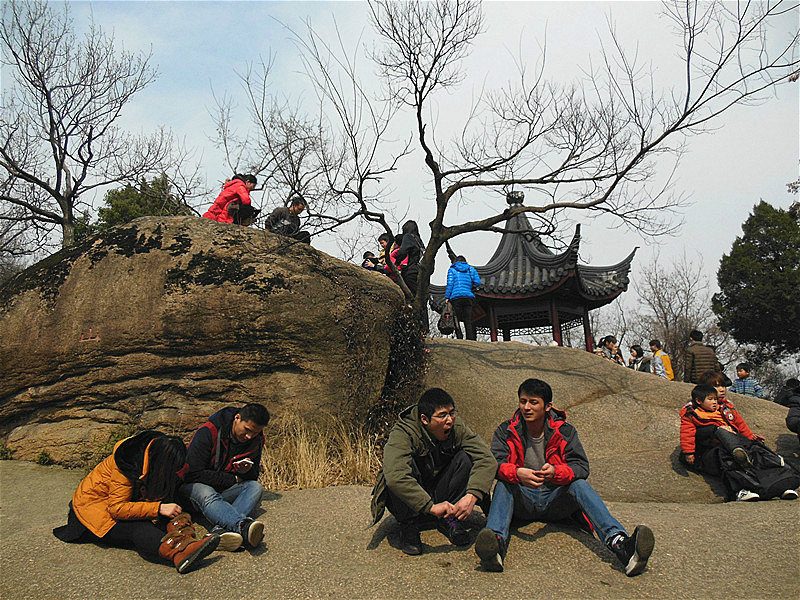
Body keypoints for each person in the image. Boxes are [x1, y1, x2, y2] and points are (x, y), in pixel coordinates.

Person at [474, 379, 654, 576]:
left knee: (579, 484)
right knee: (504, 483)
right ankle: (494, 545)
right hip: (522, 500)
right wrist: (517, 473)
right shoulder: (506, 430)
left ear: (548, 406)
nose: (526, 407)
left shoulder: (565, 431)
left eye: (533, 402)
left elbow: (581, 467)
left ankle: (621, 544)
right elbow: (496, 463)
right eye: (523, 401)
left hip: (555, 499)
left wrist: (555, 472)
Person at [53, 431, 220, 574]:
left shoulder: (155, 452)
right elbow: (117, 508)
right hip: (92, 513)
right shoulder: (126, 463)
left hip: (118, 504)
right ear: (162, 464)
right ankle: (179, 553)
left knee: (172, 513)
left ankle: (187, 540)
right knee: (140, 528)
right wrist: (158, 508)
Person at [371, 388, 496, 556]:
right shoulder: (403, 433)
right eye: (442, 415)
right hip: (413, 501)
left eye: (452, 413)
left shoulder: (456, 426)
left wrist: (472, 496)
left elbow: (486, 459)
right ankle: (410, 524)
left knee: (466, 458)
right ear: (424, 419)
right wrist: (430, 507)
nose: (449, 420)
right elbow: (396, 476)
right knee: (394, 473)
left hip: (440, 493)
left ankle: (448, 517)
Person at [679, 381, 798, 501]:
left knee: (755, 450)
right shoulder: (692, 414)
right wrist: (689, 452)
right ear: (699, 401)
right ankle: (741, 490)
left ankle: (783, 484)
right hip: (713, 448)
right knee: (728, 456)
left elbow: (741, 425)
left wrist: (751, 437)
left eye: (715, 399)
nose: (714, 402)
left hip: (736, 442)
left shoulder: (724, 409)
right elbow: (687, 434)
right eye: (710, 399)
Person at [180, 403, 270, 552]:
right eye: (247, 430)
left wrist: (245, 471)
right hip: (192, 491)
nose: (249, 436)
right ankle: (241, 526)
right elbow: (192, 473)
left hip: (221, 492)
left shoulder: (256, 440)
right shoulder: (209, 432)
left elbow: (252, 478)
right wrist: (233, 479)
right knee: (205, 491)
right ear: (237, 418)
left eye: (254, 433)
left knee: (255, 487)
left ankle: (219, 532)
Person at [444, 255, 482, 341]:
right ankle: (470, 338)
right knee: (467, 319)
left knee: (456, 317)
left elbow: (450, 284)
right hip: (468, 297)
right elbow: (478, 282)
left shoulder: (452, 269)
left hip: (456, 298)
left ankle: (459, 336)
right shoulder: (470, 269)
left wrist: (447, 296)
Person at [394, 220, 425, 295]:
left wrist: (396, 263)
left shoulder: (408, 237)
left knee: (409, 295)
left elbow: (402, 252)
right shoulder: (419, 240)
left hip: (410, 271)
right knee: (418, 294)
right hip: (419, 271)